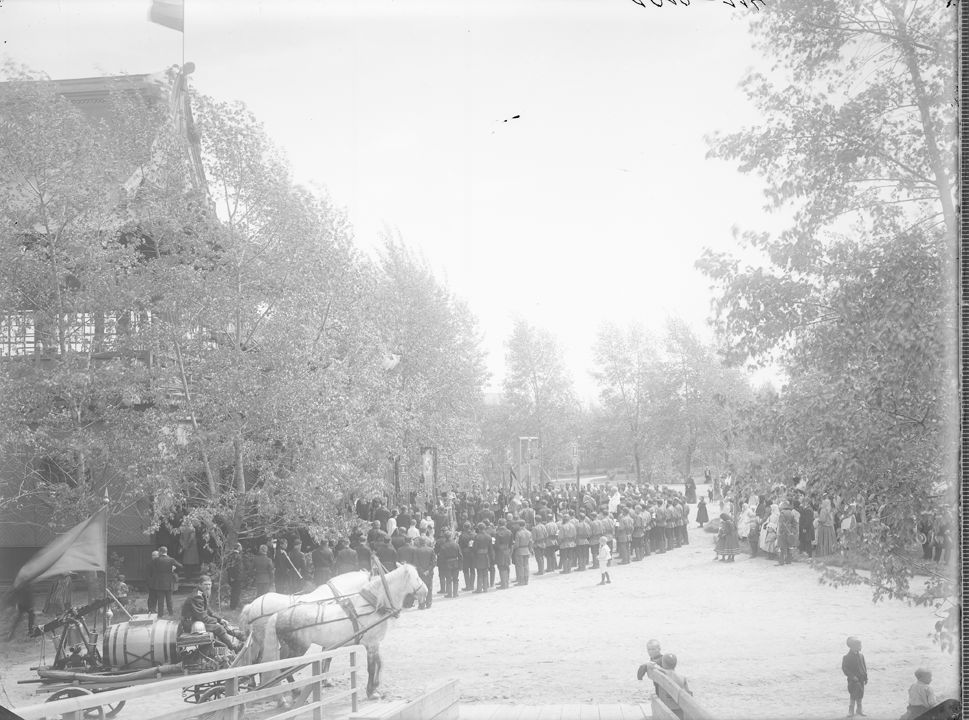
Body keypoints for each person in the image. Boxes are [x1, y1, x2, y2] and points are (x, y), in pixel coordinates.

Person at [179, 575, 243, 651]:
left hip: (197, 622)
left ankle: (239, 635)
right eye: (205, 584)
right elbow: (202, 617)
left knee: (221, 623)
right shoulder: (197, 596)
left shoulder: (201, 593)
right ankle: (234, 648)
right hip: (191, 624)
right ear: (200, 585)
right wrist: (216, 622)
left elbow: (209, 611)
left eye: (209, 584)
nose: (208, 587)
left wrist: (220, 619)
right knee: (218, 628)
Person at [655, 653, 691, 720]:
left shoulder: (661, 673)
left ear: (663, 663)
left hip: (666, 707)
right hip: (679, 707)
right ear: (675, 664)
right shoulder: (682, 677)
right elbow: (688, 693)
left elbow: (652, 667)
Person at [149, 546, 183, 617]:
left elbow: (152, 568)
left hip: (159, 583)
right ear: (166, 552)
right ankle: (171, 613)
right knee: (169, 599)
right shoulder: (171, 560)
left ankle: (160, 614)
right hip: (168, 582)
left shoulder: (156, 560)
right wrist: (172, 569)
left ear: (160, 552)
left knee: (160, 600)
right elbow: (180, 566)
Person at [842, 636, 868, 718]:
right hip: (853, 680)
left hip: (861, 678)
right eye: (859, 645)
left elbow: (864, 667)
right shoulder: (847, 657)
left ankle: (859, 709)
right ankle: (851, 710)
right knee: (853, 694)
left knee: (860, 694)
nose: (860, 647)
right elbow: (845, 669)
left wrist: (866, 677)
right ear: (852, 646)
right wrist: (852, 676)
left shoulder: (861, 656)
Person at [411, 537, 436, 610]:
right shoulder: (431, 550)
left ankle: (421, 604)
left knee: (420, 588)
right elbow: (434, 562)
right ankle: (429, 603)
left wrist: (422, 571)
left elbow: (415, 562)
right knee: (429, 587)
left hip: (420, 573)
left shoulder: (416, 550)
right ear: (425, 542)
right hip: (429, 573)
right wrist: (428, 570)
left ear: (419, 542)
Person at [471, 523, 494, 593]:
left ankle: (479, 589)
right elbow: (491, 549)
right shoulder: (489, 536)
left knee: (479, 572)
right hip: (486, 555)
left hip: (479, 556)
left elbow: (474, 548)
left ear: (478, 528)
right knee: (485, 572)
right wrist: (491, 557)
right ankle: (485, 588)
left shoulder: (477, 537)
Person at [512, 521, 532, 586]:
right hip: (526, 550)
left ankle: (521, 581)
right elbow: (530, 542)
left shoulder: (518, 533)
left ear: (519, 525)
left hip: (519, 551)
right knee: (526, 566)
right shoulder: (529, 532)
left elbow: (517, 545)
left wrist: (512, 548)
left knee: (520, 567)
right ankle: (526, 580)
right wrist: (530, 550)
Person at [226, 543, 245, 609]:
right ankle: (234, 606)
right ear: (238, 547)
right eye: (241, 546)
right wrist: (233, 577)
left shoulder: (231, 555)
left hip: (234, 577)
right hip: (236, 577)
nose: (241, 548)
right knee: (236, 592)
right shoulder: (236, 556)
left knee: (234, 591)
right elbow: (232, 567)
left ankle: (234, 605)